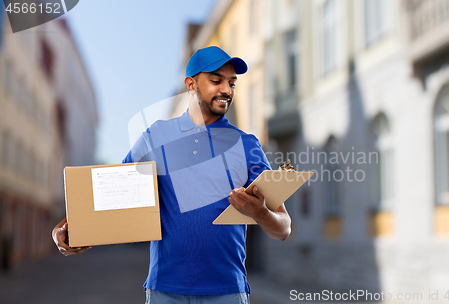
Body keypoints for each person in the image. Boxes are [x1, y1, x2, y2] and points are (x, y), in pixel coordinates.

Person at [52, 46, 291, 304]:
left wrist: (261, 213)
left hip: (227, 291)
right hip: (165, 290)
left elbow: (284, 228)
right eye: (216, 80)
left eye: (231, 83)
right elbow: (111, 198)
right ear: (191, 84)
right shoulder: (156, 137)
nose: (227, 90)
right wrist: (64, 230)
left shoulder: (247, 145)